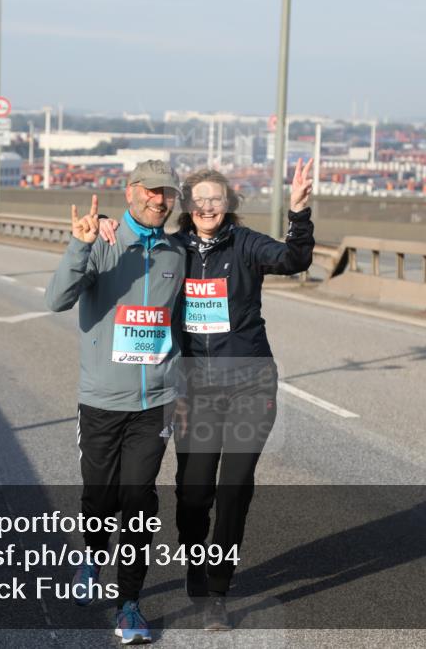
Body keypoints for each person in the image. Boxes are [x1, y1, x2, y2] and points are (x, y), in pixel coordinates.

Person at [99, 158, 314, 631]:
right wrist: (104, 224)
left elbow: (294, 259)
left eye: (216, 199)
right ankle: (196, 563)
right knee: (195, 493)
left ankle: (217, 591)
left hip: (249, 382)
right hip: (194, 387)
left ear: (229, 204)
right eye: (199, 200)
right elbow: (134, 242)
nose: (208, 207)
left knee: (234, 489)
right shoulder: (173, 249)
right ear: (186, 207)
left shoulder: (246, 244)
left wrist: (299, 212)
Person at [45, 160, 186, 645]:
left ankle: (130, 604)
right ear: (131, 193)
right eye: (151, 191)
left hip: (155, 402)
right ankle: (92, 555)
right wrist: (80, 245)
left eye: (167, 193)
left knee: (138, 500)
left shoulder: (176, 253)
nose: (160, 200)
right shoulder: (102, 242)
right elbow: (56, 300)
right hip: (102, 399)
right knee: (100, 497)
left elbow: (185, 320)